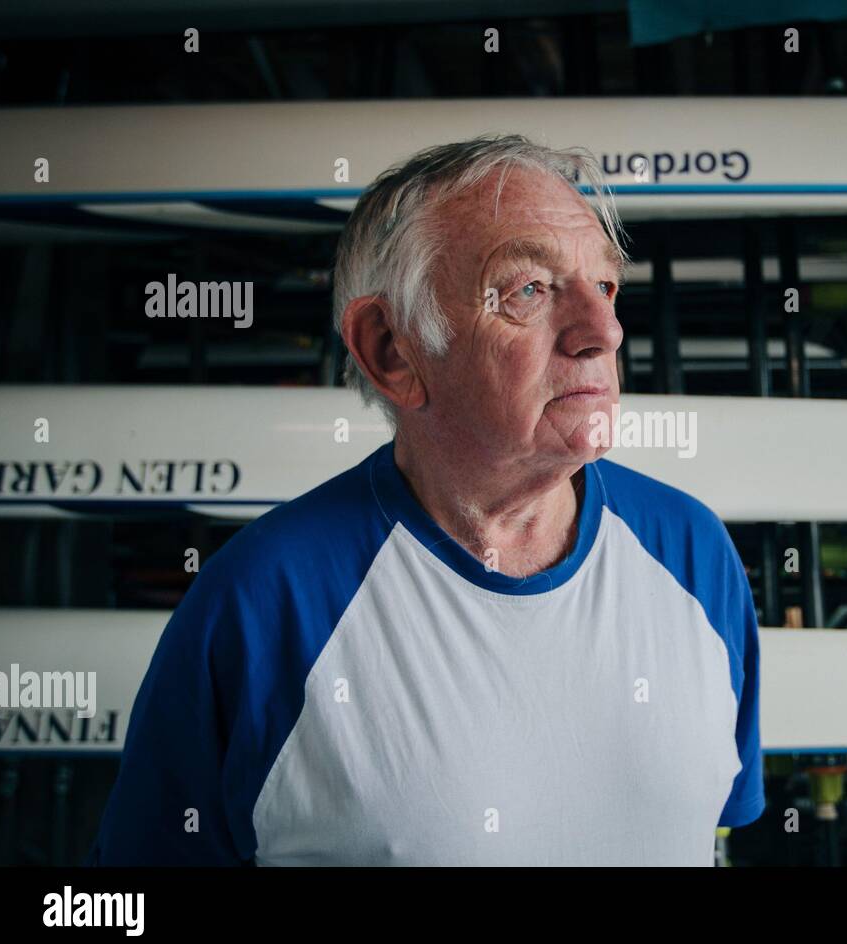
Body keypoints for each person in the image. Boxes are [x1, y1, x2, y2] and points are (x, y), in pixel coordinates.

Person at [88, 135, 764, 865]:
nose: (604, 332)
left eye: (604, 286)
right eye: (528, 289)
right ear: (391, 350)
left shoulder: (693, 553)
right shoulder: (262, 602)